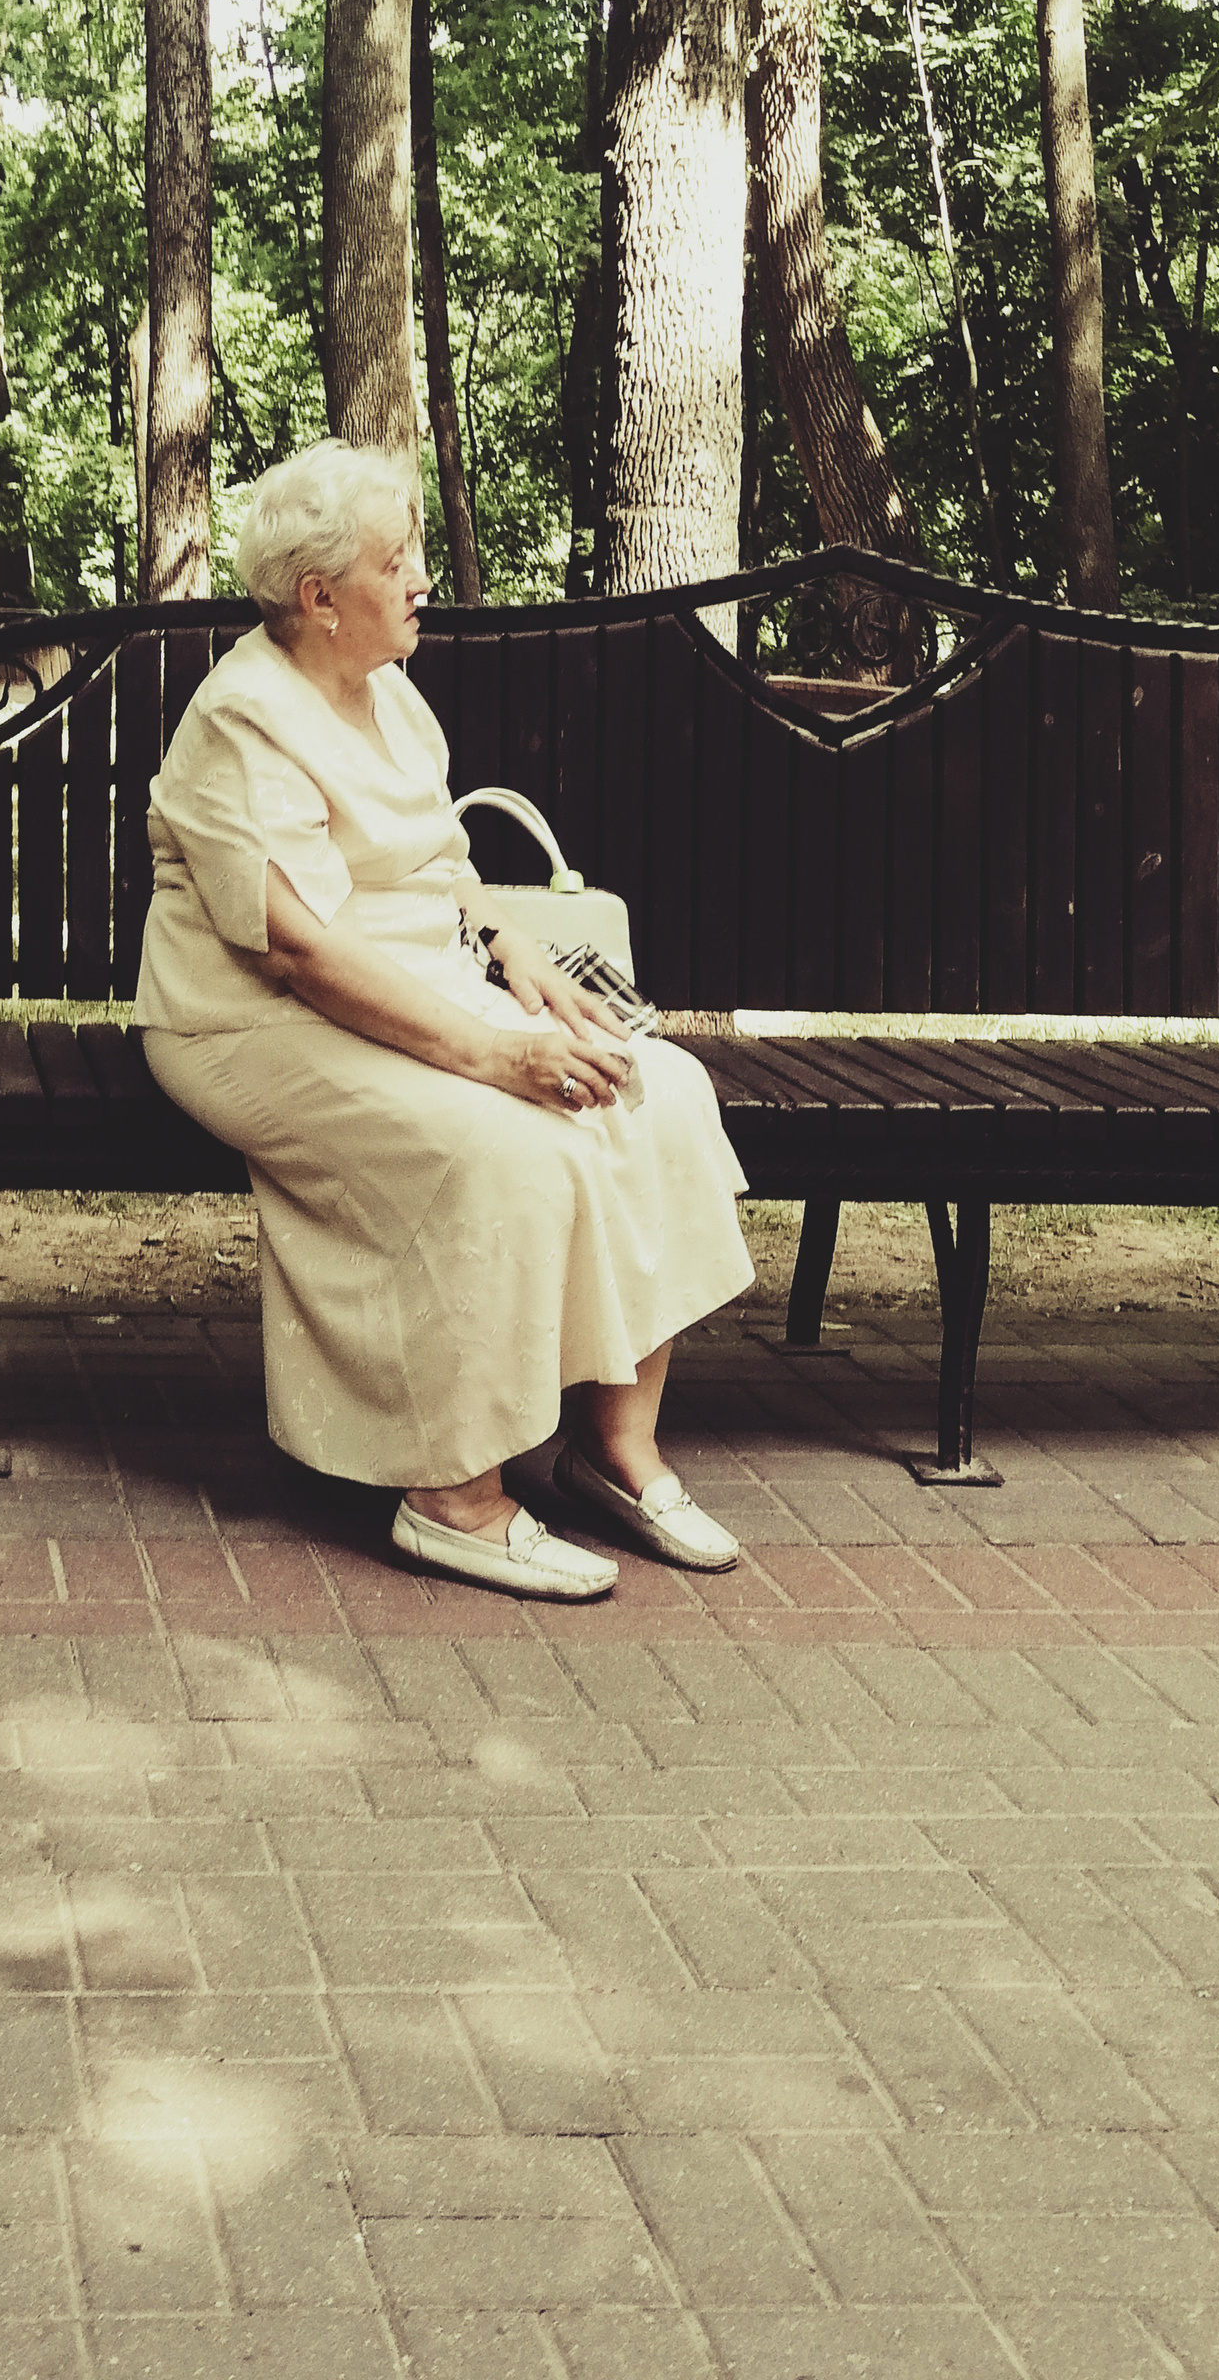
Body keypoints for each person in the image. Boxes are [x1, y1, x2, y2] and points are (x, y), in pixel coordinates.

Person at [134, 440, 754, 1600]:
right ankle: (452, 1493)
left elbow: (434, 870)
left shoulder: (391, 698)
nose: (424, 576)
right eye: (397, 557)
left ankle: (613, 1450)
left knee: (652, 1090)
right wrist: (495, 1053)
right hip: (246, 1020)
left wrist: (510, 951)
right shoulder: (242, 720)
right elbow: (300, 951)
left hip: (413, 987)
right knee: (502, 1146)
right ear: (319, 597)